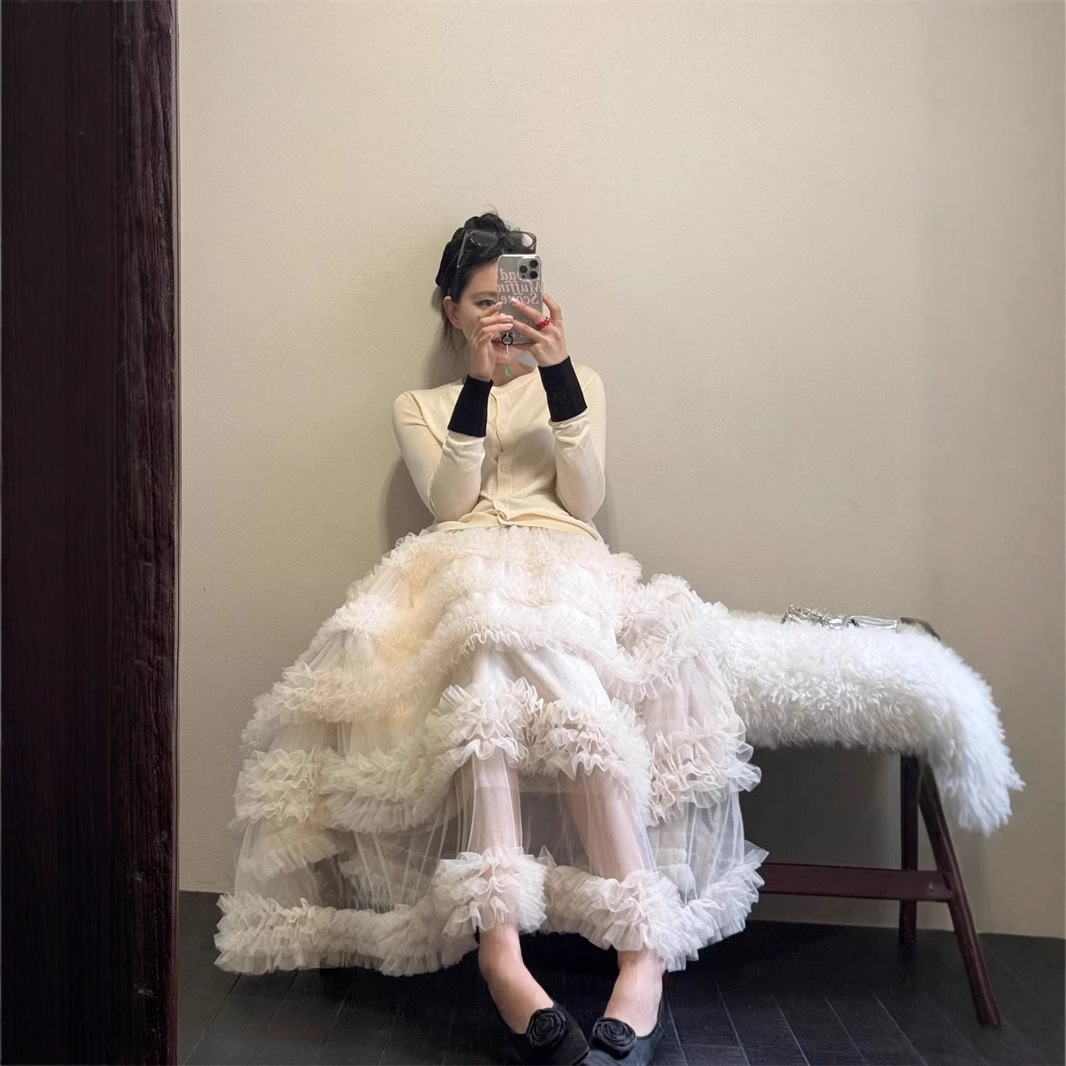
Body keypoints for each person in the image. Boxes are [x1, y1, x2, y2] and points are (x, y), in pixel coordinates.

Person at [215, 212, 768, 1066]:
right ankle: (503, 951)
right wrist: (477, 384)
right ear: (451, 310)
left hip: (564, 564)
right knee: (479, 638)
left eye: (512, 299)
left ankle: (639, 955)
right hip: (460, 566)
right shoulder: (420, 405)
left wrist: (557, 373)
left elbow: (583, 498)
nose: (501, 316)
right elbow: (449, 502)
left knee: (527, 650)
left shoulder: (578, 381)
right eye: (482, 303)